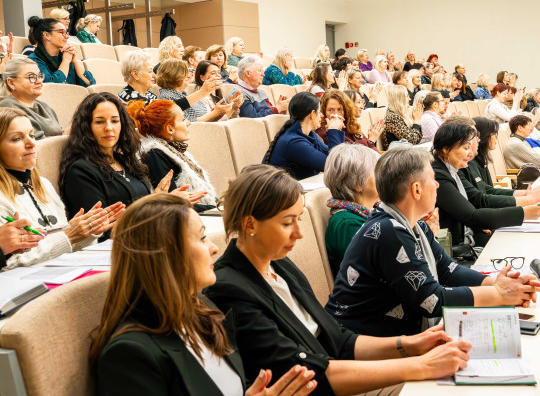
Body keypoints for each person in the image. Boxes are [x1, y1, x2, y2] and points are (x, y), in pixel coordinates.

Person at [205, 163, 474, 396]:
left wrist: (409, 344)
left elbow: (338, 340)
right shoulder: (229, 288)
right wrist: (421, 365)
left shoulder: (280, 265)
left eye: (299, 219)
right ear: (250, 224)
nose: (299, 233)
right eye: (287, 223)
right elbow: (306, 373)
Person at [90, 193, 318, 396]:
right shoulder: (130, 354)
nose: (214, 248)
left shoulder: (205, 311)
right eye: (201, 238)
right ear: (167, 254)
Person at [325, 146, 540, 337]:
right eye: (432, 178)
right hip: (365, 342)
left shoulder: (414, 224)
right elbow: (430, 300)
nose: (437, 184)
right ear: (417, 189)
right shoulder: (389, 231)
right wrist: (498, 293)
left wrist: (498, 283)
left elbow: (448, 270)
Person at [59, 93, 202, 233]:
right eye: (99, 122)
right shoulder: (80, 171)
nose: (109, 127)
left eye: (115, 121)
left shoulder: (125, 160)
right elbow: (100, 231)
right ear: (86, 127)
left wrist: (160, 199)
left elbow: (140, 209)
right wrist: (158, 207)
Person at [0, 107, 124, 269]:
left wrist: (86, 232)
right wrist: (69, 235)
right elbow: (10, 264)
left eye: (32, 135)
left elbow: (66, 248)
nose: (31, 143)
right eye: (17, 138)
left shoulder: (44, 184)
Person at [433, 121, 540, 247]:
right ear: (446, 149)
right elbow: (472, 215)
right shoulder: (439, 176)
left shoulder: (453, 168)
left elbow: (477, 201)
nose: (470, 153)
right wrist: (524, 212)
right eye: (465, 148)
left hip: (469, 233)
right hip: (458, 244)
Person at [128, 99, 217, 212]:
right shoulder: (154, 155)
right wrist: (216, 209)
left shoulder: (174, 149)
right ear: (170, 129)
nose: (188, 123)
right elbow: (171, 204)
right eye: (183, 119)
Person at [323, 143, 379, 276]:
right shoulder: (348, 224)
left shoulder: (370, 211)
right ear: (358, 183)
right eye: (377, 172)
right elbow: (375, 270)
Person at [263, 92, 344, 180]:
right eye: (319, 112)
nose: (322, 116)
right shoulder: (294, 142)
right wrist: (333, 131)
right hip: (282, 188)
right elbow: (334, 166)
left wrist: (336, 130)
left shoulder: (309, 134)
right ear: (312, 114)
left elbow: (336, 157)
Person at [461, 117, 540, 205]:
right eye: (494, 134)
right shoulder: (469, 163)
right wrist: (527, 201)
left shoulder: (480, 160)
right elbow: (480, 199)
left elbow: (488, 190)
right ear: (485, 136)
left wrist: (527, 194)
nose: (497, 138)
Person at [0, 58, 62, 139]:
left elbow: (60, 134)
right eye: (31, 77)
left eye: (39, 76)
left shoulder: (44, 106)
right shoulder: (9, 109)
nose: (39, 81)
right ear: (11, 83)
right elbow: (37, 143)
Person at [27, 16, 95, 87]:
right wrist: (65, 61)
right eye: (61, 32)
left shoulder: (66, 55)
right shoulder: (33, 60)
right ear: (47, 35)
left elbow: (91, 84)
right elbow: (52, 87)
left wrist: (75, 61)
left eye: (66, 33)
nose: (67, 37)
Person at [157, 58, 224, 118]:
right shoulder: (166, 97)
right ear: (174, 75)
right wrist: (215, 113)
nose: (189, 75)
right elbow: (189, 123)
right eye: (185, 72)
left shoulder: (184, 94)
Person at [316, 89, 381, 152]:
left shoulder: (351, 125)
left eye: (339, 109)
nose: (336, 114)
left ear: (346, 110)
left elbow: (370, 145)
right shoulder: (323, 133)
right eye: (331, 110)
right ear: (324, 112)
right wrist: (334, 130)